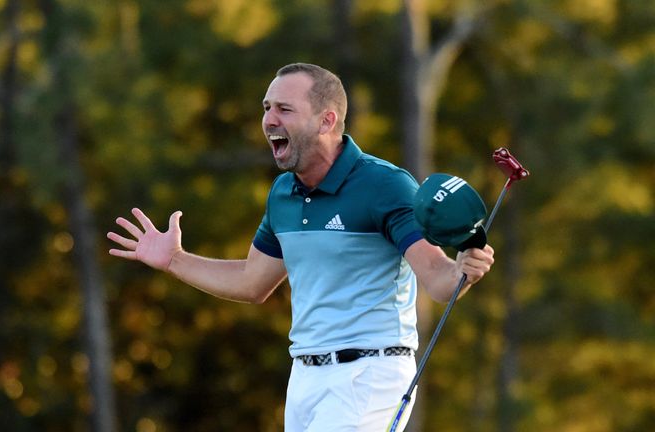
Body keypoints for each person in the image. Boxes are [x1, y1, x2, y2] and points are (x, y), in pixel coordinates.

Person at [107, 63, 495, 431]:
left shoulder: (385, 186)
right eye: (267, 108)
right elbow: (251, 283)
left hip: (369, 375)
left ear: (326, 120)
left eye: (284, 109)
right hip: (305, 378)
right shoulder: (282, 194)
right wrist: (174, 260)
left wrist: (464, 268)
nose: (269, 120)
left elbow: (439, 280)